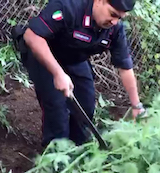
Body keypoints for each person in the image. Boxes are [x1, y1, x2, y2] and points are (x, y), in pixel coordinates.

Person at [18, 0, 145, 147]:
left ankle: (77, 150)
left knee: (86, 107)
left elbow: (125, 66)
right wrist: (58, 73)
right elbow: (32, 36)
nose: (114, 21)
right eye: (112, 14)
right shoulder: (69, 7)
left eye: (120, 18)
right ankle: (55, 157)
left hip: (74, 59)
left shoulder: (115, 29)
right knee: (57, 111)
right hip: (44, 54)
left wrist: (136, 106)